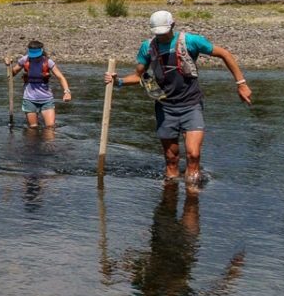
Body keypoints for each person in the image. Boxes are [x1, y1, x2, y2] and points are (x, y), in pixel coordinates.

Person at [105, 9, 252, 183]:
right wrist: (118, 81)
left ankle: (192, 197)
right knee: (171, 159)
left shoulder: (190, 41)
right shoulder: (148, 47)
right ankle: (169, 197)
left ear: (172, 25)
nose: (161, 36)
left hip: (191, 105)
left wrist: (241, 83)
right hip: (165, 107)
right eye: (157, 33)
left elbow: (224, 54)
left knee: (193, 154)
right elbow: (138, 76)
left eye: (164, 32)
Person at [5, 40, 71, 128]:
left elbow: (61, 77)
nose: (34, 58)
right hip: (30, 99)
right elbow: (11, 75)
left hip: (46, 99)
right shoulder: (25, 60)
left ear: (42, 51)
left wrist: (67, 92)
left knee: (50, 127)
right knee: (33, 128)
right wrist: (8, 65)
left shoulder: (48, 62)